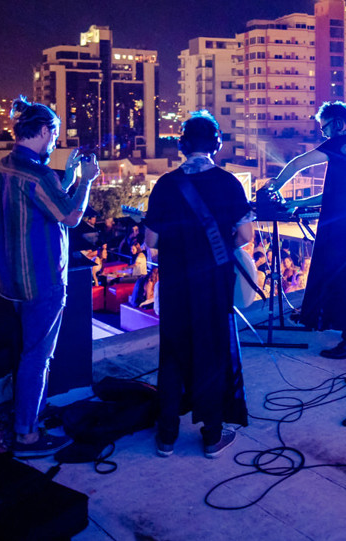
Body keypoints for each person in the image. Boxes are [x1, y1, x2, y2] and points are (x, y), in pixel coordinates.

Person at [0, 96, 100, 458]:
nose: (55, 141)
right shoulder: (38, 174)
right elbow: (70, 216)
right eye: (53, 133)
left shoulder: (4, 166)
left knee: (28, 353)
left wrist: (65, 179)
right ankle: (27, 434)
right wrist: (85, 182)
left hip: (12, 281)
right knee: (37, 358)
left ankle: (28, 419)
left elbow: (43, 206)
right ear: (41, 131)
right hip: (43, 281)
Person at [144, 111, 252, 458]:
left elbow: (152, 240)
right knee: (212, 349)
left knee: (173, 351)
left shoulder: (165, 184)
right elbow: (245, 235)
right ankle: (211, 436)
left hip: (176, 282)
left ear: (182, 146)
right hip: (214, 282)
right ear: (216, 145)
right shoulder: (230, 184)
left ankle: (167, 436)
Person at [269, 101, 346, 359]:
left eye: (325, 127)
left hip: (341, 228)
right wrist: (298, 202)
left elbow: (298, 164)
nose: (323, 133)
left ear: (338, 123)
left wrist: (275, 187)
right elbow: (335, 193)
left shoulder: (339, 143)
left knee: (341, 280)